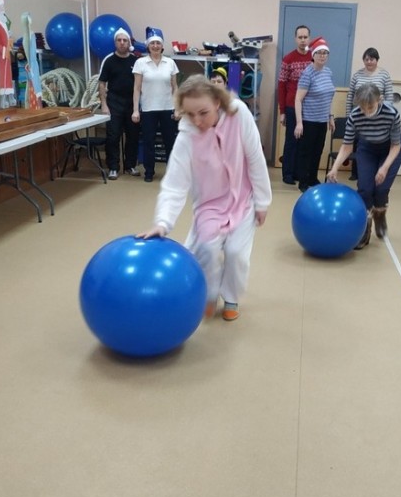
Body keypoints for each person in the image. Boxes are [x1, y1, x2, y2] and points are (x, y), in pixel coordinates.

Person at [137, 74, 272, 322]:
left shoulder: (239, 114)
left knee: (236, 253)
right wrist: (163, 223)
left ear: (217, 103)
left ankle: (231, 296)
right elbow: (174, 185)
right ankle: (209, 294)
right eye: (190, 114)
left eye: (203, 113)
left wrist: (262, 201)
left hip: (243, 199)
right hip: (210, 205)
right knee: (206, 249)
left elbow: (255, 157)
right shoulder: (186, 136)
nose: (197, 121)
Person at [327, 82, 401, 248]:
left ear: (379, 100)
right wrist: (335, 168)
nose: (367, 112)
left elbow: (395, 146)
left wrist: (384, 167)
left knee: (381, 188)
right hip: (367, 148)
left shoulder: (391, 114)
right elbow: (347, 146)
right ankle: (364, 229)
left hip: (390, 149)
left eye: (370, 107)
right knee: (365, 189)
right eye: (362, 107)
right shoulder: (355, 116)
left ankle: (380, 214)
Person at [132, 27, 179, 182]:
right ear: (148, 45)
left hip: (167, 108)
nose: (155, 46)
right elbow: (136, 88)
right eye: (152, 43)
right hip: (148, 109)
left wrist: (177, 108)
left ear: (162, 45)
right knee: (148, 142)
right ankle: (149, 172)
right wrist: (135, 110)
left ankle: (172, 174)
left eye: (158, 43)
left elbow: (175, 87)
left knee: (170, 142)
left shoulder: (170, 63)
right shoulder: (140, 63)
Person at [294, 36, 335, 192]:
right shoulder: (308, 73)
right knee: (306, 152)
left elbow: (328, 97)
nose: (322, 56)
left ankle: (312, 177)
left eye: (325, 53)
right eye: (319, 53)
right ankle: (303, 181)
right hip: (309, 120)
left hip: (322, 120)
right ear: (313, 55)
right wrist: (299, 123)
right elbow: (298, 99)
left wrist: (330, 117)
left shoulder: (328, 72)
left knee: (318, 151)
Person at [98, 28, 141, 180]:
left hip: (132, 103)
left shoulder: (135, 61)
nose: (122, 43)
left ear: (129, 43)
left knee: (133, 136)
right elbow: (102, 83)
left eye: (125, 40)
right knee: (113, 136)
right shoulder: (109, 60)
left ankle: (130, 166)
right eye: (119, 40)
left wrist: (137, 107)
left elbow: (139, 84)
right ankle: (113, 167)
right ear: (115, 43)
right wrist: (104, 105)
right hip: (114, 103)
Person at [345, 48, 394, 180]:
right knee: (358, 144)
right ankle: (356, 173)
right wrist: (348, 115)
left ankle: (373, 171)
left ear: (377, 60)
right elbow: (350, 96)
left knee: (372, 144)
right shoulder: (357, 75)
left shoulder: (384, 75)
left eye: (371, 59)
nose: (369, 62)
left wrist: (385, 113)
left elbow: (389, 97)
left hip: (378, 117)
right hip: (359, 116)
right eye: (366, 59)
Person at [277, 25, 310, 184]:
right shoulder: (288, 59)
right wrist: (282, 111)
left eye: (305, 37)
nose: (303, 40)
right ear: (295, 39)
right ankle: (288, 174)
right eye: (300, 37)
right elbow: (282, 85)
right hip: (291, 106)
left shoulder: (313, 57)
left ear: (309, 38)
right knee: (291, 141)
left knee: (304, 142)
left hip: (309, 107)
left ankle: (299, 172)